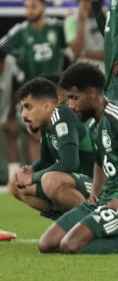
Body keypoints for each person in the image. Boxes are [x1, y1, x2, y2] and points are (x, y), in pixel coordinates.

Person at [37, 62, 118, 254]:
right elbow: (99, 162)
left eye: (74, 98)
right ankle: (117, 230)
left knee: (69, 246)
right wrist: (94, 193)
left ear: (93, 94)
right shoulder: (94, 126)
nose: (70, 105)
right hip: (104, 201)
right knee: (45, 245)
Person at [7, 77, 95, 220]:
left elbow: (70, 163)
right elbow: (46, 160)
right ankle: (67, 222)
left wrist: (33, 177)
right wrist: (31, 170)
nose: (23, 114)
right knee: (15, 185)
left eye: (28, 107)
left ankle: (94, 225)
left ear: (47, 106)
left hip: (98, 185)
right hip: (78, 183)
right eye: (22, 108)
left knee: (51, 180)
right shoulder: (46, 125)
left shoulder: (61, 115)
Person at [66, 0, 105, 69]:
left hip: (106, 70)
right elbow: (76, 50)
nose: (82, 4)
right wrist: (82, 22)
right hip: (83, 70)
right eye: (80, 0)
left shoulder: (106, 18)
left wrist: (86, 54)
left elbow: (112, 54)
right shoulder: (71, 21)